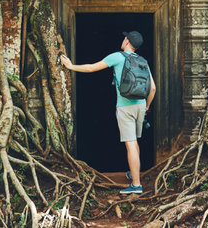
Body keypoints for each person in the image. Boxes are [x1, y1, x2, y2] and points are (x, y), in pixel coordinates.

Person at [60, 31, 156, 194]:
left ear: (126, 41)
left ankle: (136, 185)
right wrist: (146, 107)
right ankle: (134, 174)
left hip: (124, 107)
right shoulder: (143, 61)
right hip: (140, 105)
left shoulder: (117, 57)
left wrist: (70, 66)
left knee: (130, 144)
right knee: (135, 142)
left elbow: (91, 68)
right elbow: (152, 88)